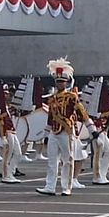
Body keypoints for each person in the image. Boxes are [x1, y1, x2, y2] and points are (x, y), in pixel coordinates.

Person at [37, 58, 91, 197]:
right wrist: (46, 135)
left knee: (67, 160)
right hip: (54, 132)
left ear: (66, 82)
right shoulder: (53, 98)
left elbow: (82, 112)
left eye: (62, 81)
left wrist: (92, 130)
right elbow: (50, 117)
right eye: (57, 81)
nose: (59, 83)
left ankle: (67, 186)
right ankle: (50, 186)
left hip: (67, 131)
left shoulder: (72, 97)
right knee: (52, 160)